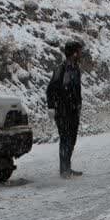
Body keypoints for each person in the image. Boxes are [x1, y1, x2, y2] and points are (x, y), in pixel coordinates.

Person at [46, 40, 84, 179]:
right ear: (74, 53)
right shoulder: (61, 69)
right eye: (79, 51)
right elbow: (51, 89)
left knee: (72, 139)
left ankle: (67, 167)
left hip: (73, 111)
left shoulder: (75, 69)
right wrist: (51, 107)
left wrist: (78, 104)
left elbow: (76, 90)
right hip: (62, 111)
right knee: (65, 139)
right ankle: (64, 170)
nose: (81, 54)